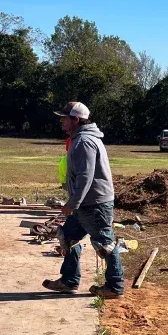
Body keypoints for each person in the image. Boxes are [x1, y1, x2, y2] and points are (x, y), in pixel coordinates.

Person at [42, 101, 125, 299]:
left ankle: (115, 286)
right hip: (85, 204)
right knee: (68, 237)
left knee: (105, 244)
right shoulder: (81, 139)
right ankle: (69, 281)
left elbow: (85, 176)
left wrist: (72, 204)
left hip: (94, 204)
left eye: (64, 118)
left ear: (76, 120)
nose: (61, 121)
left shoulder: (84, 142)